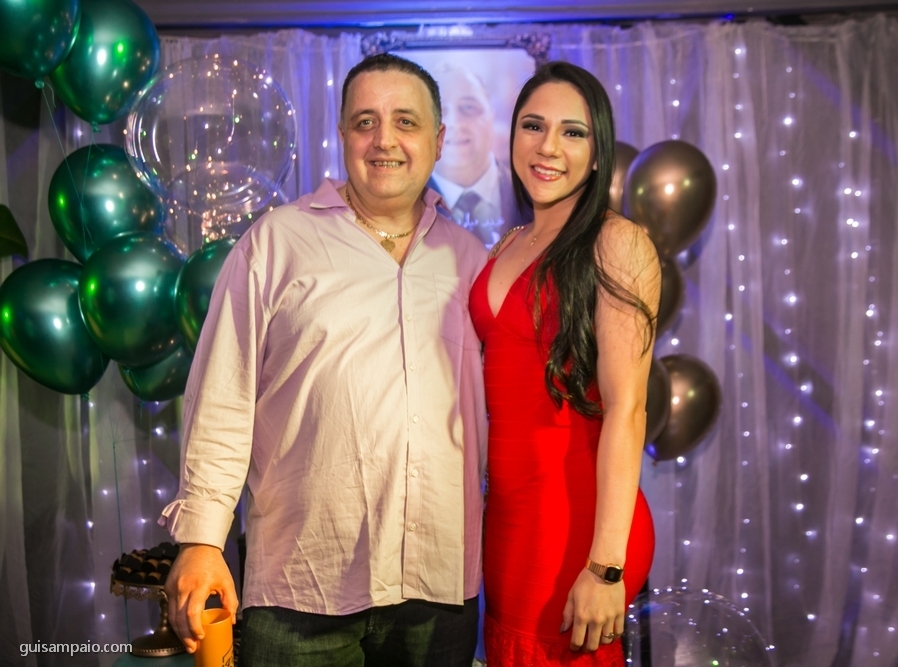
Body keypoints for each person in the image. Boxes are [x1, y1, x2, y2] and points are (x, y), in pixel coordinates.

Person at [159, 53, 488, 667]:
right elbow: (223, 395)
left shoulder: (472, 261)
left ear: (438, 140)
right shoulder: (276, 243)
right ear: (342, 135)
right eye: (365, 122)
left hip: (439, 587)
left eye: (406, 121)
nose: (384, 139)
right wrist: (202, 538)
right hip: (303, 589)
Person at [468, 61, 659, 665]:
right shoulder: (507, 244)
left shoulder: (617, 242)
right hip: (508, 520)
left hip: (579, 522)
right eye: (533, 125)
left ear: (598, 154)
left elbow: (629, 408)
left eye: (573, 132)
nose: (548, 146)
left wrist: (606, 567)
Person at [427, 63, 522, 247]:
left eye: (469, 107)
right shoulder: (401, 208)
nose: (455, 123)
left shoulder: (531, 195)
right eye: (440, 111)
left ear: (492, 115)